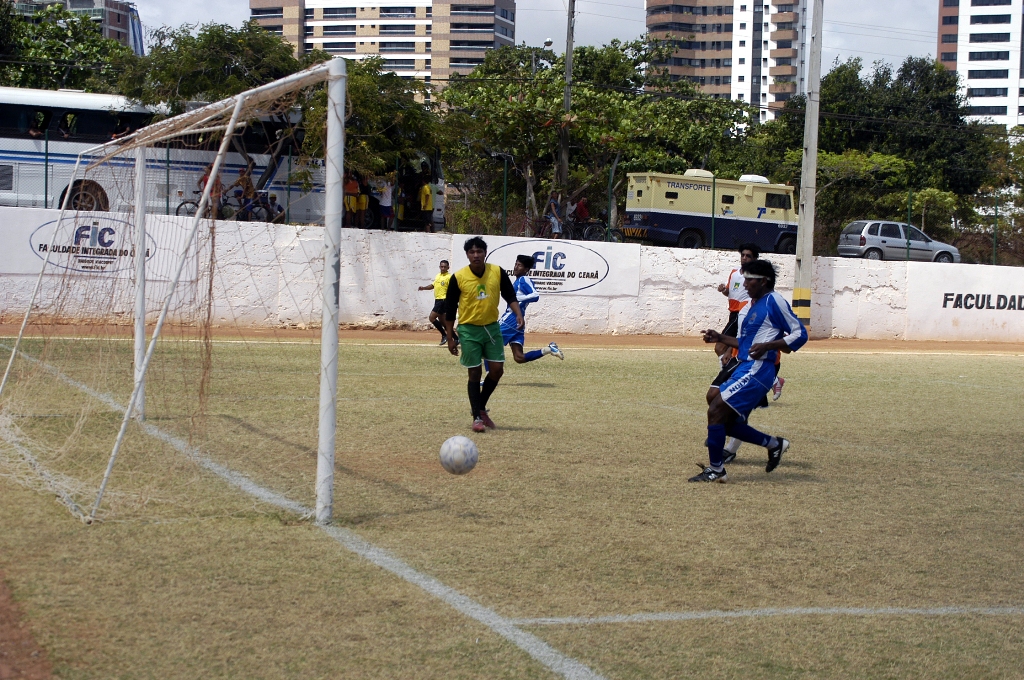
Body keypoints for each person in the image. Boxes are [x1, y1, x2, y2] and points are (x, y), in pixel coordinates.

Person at [692, 259, 807, 483]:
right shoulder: (754, 305)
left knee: (716, 410)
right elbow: (746, 342)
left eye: (749, 280)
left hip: (759, 369)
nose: (744, 285)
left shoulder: (774, 301)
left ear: (764, 281)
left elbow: (800, 333)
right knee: (720, 412)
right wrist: (720, 338)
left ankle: (716, 470)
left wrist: (769, 346)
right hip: (745, 366)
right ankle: (775, 444)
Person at [444, 237, 523, 433]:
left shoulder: (496, 272)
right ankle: (477, 417)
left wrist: (518, 313)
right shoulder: (459, 277)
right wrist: (450, 336)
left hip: (492, 328)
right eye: (472, 252)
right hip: (469, 330)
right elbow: (450, 307)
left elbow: (509, 295)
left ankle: (480, 407)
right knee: (475, 372)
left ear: (485, 252)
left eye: (479, 251)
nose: (476, 255)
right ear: (467, 255)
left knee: (497, 370)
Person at [717, 243, 785, 400]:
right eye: (743, 255)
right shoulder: (734, 273)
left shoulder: (755, 277)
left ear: (754, 259)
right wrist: (724, 290)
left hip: (745, 314)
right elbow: (731, 292)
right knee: (733, 351)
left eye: (748, 256)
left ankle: (729, 378)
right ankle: (770, 380)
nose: (744, 258)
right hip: (734, 314)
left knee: (727, 348)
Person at [486, 255, 563, 369]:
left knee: (489, 345)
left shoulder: (523, 279)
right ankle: (549, 349)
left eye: (519, 265)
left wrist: (517, 299)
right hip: (518, 320)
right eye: (516, 264)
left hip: (511, 319)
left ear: (526, 269)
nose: (516, 267)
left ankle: (488, 378)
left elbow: (535, 295)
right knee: (519, 357)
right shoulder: (517, 281)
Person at [418, 260, 457, 345]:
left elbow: (453, 289)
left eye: (444, 267)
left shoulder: (449, 277)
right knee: (443, 322)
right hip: (437, 300)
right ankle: (456, 338)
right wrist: (423, 288)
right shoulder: (438, 276)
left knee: (431, 318)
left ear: (448, 268)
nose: (443, 268)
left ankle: (444, 335)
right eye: (441, 266)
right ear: (439, 267)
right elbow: (433, 285)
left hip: (443, 300)